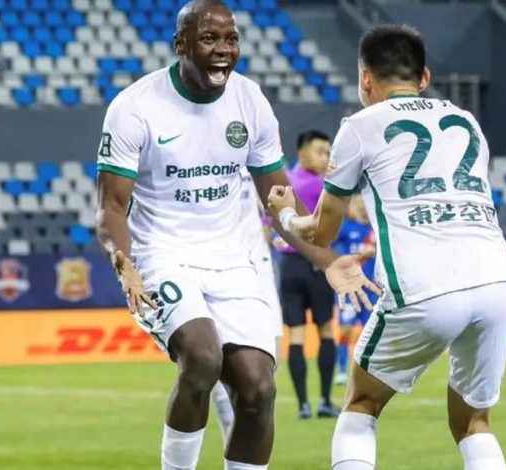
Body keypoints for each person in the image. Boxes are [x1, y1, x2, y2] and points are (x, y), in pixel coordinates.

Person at [95, 1, 378, 468]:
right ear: (181, 45)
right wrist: (123, 262)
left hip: (234, 260)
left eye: (231, 40)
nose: (224, 50)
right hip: (161, 254)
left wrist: (325, 258)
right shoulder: (135, 107)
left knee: (258, 388)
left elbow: (278, 197)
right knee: (203, 357)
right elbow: (110, 205)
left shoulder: (249, 100)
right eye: (209, 40)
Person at [268, 25, 506, 470]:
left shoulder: (360, 126)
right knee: (474, 422)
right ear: (424, 77)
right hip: (497, 281)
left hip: (424, 286)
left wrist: (285, 214)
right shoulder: (467, 121)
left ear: (365, 79)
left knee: (361, 406)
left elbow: (322, 232)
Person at [210, 167, 284, 444]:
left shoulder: (252, 158)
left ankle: (244, 453)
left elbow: (276, 204)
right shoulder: (197, 158)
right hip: (217, 268)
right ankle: (236, 450)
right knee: (224, 367)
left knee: (267, 370)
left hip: (259, 269)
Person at [271, 130, 341, 419]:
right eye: (321, 152)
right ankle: (325, 400)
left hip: (288, 266)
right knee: (325, 330)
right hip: (315, 264)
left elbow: (270, 219)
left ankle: (302, 405)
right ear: (303, 154)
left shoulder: (282, 183)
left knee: (296, 335)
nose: (326, 158)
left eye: (328, 152)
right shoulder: (321, 185)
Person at [332, 195, 376, 386]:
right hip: (350, 289)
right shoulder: (346, 229)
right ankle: (341, 369)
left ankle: (369, 370)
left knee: (371, 331)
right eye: (359, 204)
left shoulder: (376, 230)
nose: (363, 208)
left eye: (365, 204)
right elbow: (330, 249)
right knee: (346, 329)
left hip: (373, 290)